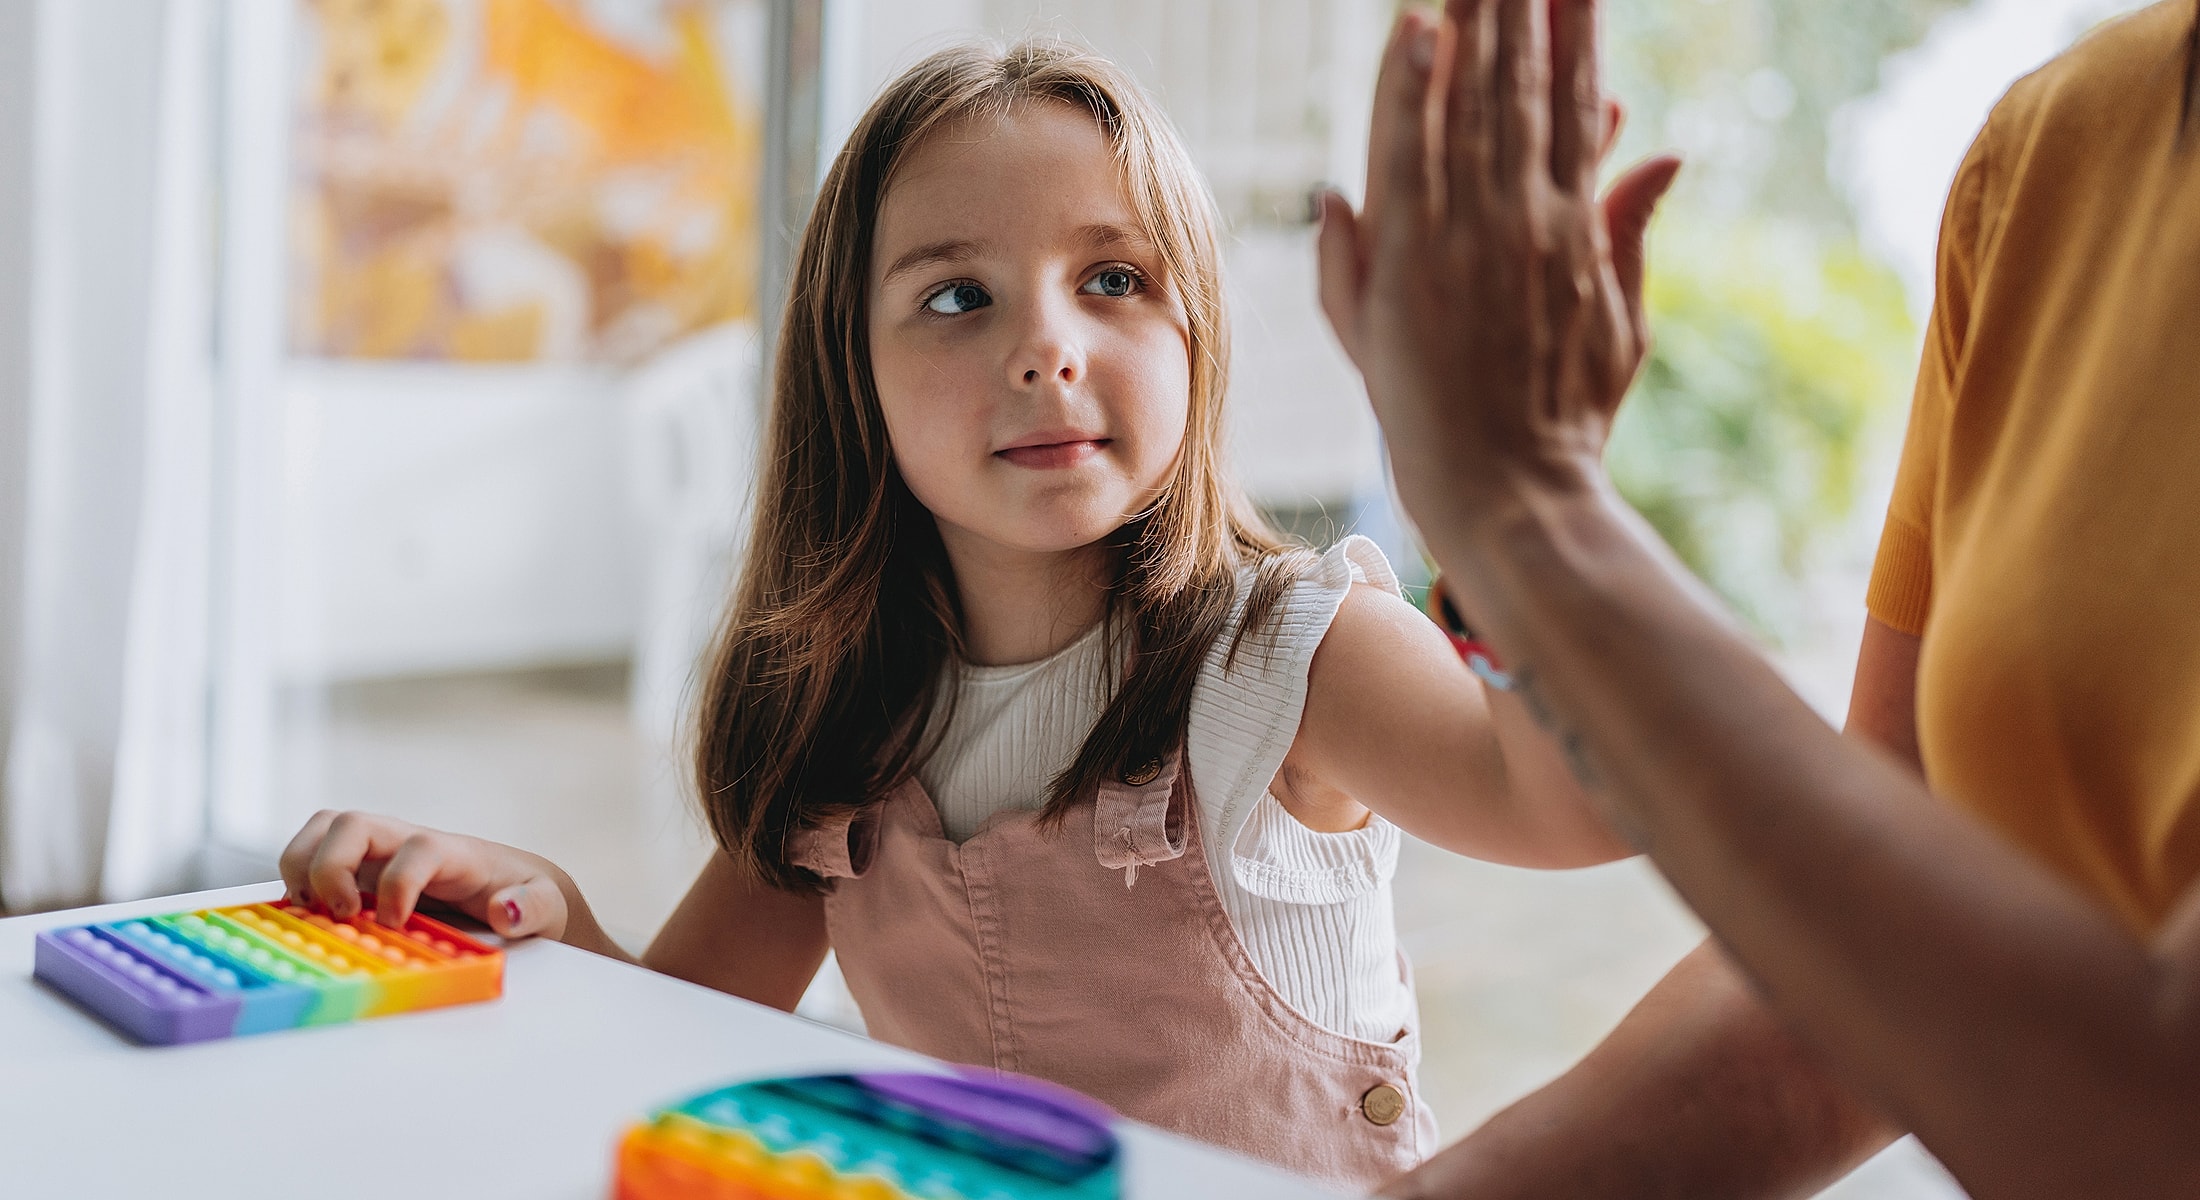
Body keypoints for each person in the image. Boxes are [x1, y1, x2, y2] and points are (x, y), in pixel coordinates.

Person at [277, 39, 1635, 1190]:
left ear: (1197, 334)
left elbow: (1576, 811)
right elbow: (671, 1033)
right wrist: (535, 902)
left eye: (1114, 278)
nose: (1045, 346)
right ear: (849, 376)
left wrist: (1509, 498)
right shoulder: (846, 716)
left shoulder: (1294, 654)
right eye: (954, 298)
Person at [1313, 1, 2200, 1196]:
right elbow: (1875, 959)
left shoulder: (1286, 644)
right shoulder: (2064, 146)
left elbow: (2152, 1109)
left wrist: (1528, 516)